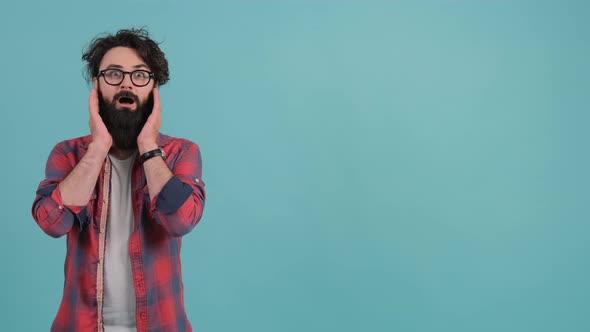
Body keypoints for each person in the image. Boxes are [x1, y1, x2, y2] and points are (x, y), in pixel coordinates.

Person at [31, 28, 206, 332]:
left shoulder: (181, 152)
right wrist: (98, 147)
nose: (126, 83)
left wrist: (150, 147)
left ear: (154, 90)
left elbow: (180, 221)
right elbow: (52, 223)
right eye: (113, 74)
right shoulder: (68, 153)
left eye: (140, 75)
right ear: (96, 85)